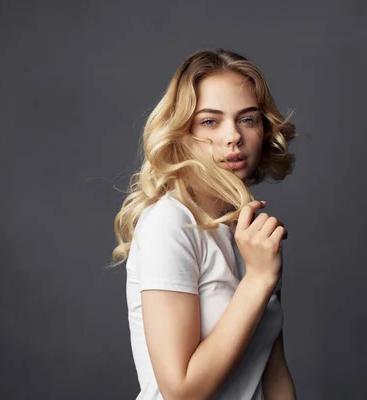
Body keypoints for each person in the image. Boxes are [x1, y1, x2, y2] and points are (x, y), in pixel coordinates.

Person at [112, 48, 298, 400]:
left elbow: (273, 374)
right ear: (181, 132)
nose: (233, 137)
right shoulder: (170, 223)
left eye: (248, 119)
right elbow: (182, 392)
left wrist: (261, 273)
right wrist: (258, 279)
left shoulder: (248, 235)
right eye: (210, 121)